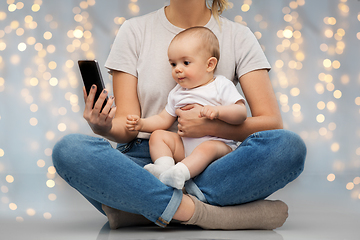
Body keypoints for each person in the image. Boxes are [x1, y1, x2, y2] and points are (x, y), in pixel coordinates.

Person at [52, 0, 306, 230]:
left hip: (214, 162)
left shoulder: (238, 36)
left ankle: (143, 208)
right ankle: (205, 213)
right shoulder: (134, 31)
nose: (178, 70)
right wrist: (104, 127)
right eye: (174, 64)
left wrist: (211, 126)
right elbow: (129, 125)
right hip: (148, 161)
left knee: (289, 147)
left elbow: (271, 124)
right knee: (70, 151)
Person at [126, 26, 247, 190]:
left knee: (208, 147)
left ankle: (180, 173)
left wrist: (219, 112)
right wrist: (142, 124)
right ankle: (165, 169)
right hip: (185, 150)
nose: (177, 69)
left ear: (210, 64)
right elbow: (163, 119)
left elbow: (241, 113)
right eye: (173, 64)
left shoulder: (220, 85)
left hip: (219, 149)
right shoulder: (177, 93)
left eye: (186, 62)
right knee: (158, 135)